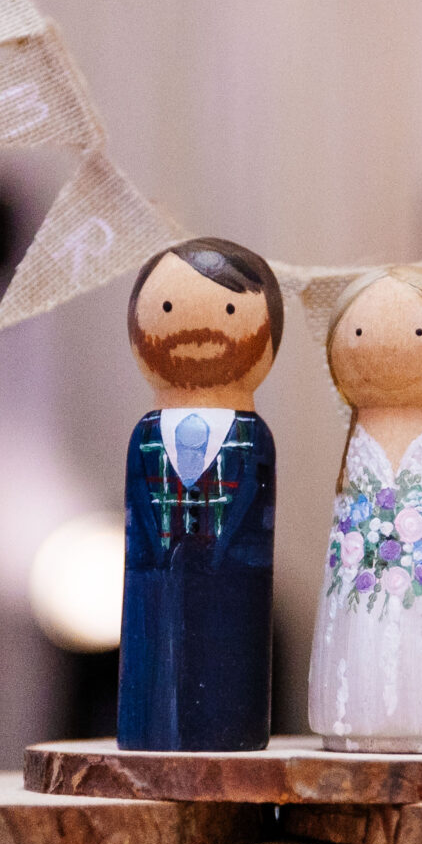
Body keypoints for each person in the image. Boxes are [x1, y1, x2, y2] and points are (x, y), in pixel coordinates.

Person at [308, 264, 422, 753]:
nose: (386, 347)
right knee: (362, 628)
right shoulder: (363, 436)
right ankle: (356, 709)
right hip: (365, 578)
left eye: (416, 332)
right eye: (360, 333)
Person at [117, 239, 283, 752]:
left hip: (237, 585)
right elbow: (138, 512)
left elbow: (255, 513)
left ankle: (232, 731)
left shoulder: (255, 437)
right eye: (168, 308)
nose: (197, 327)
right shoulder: (145, 434)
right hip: (152, 583)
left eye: (230, 310)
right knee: (155, 672)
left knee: (231, 675)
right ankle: (150, 732)